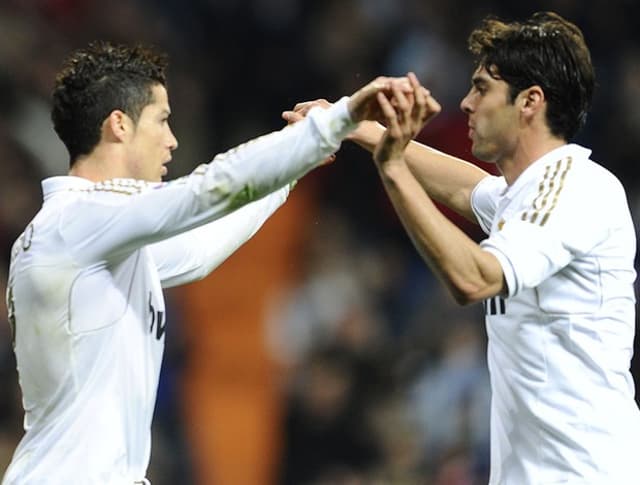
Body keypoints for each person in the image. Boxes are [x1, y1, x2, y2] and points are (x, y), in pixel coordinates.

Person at [2, 40, 413, 484]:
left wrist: (288, 173)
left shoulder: (87, 237)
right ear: (119, 125)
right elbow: (206, 189)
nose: (172, 140)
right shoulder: (79, 221)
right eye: (162, 120)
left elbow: (197, 253)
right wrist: (333, 122)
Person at [285, 11, 640, 485]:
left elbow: (475, 278)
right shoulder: (526, 194)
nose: (467, 103)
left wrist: (392, 168)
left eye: (482, 88)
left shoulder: (575, 188)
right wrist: (353, 127)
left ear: (530, 101)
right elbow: (463, 188)